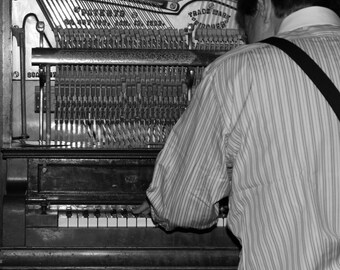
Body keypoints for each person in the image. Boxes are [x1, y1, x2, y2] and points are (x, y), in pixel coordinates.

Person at [133, 0, 340, 269]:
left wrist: (162, 205)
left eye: (245, 23)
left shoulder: (236, 71)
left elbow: (181, 206)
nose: (244, 37)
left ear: (264, 6)